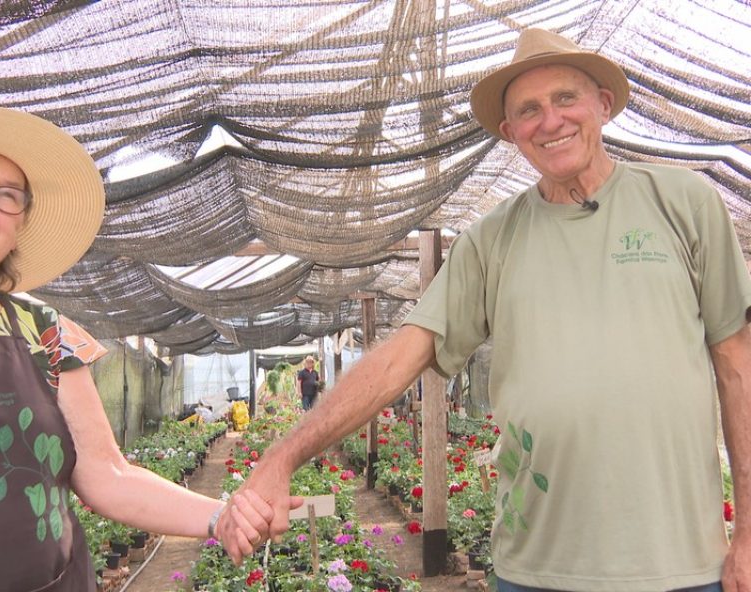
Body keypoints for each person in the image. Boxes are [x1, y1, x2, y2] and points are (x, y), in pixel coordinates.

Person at [217, 28, 751, 592]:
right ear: (509, 132)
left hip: (681, 565)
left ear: (604, 103)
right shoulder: (491, 240)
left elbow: (738, 366)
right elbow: (402, 354)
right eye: (529, 110)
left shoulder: (684, 204)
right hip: (537, 570)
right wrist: (281, 459)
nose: (550, 121)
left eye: (566, 98)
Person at [0, 104, 273, 591]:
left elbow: (108, 474)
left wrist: (220, 516)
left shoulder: (48, 332)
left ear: (18, 226)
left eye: (8, 196)